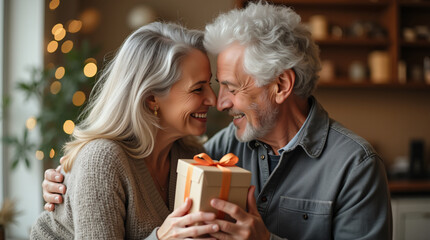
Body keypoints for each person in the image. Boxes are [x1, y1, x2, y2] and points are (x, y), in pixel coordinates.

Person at [42, 2, 393, 240]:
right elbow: (109, 168)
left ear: (281, 86)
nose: (219, 103)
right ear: (151, 99)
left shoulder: (355, 166)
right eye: (208, 87)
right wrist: (71, 180)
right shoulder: (215, 149)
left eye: (229, 88)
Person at [31, 22, 221, 239]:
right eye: (198, 89)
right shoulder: (101, 160)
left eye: (209, 84)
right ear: (151, 99)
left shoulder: (190, 157)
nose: (213, 99)